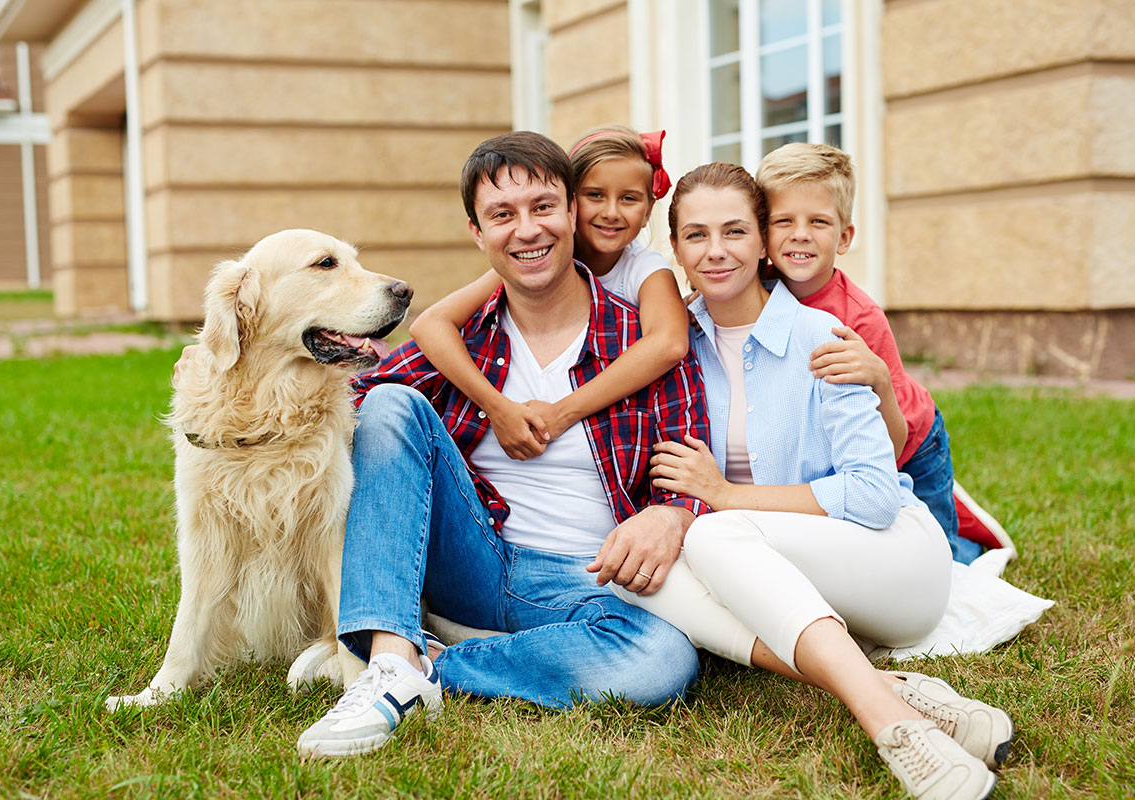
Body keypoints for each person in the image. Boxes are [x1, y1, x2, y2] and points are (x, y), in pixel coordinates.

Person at [295, 131, 710, 759]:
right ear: (477, 233)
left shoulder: (639, 336)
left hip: (584, 581)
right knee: (387, 404)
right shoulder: (470, 338)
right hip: (472, 553)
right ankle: (386, 665)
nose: (527, 230)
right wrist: (234, 366)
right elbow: (353, 402)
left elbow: (690, 457)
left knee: (662, 660)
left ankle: (431, 665)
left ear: (572, 212)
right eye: (502, 215)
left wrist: (672, 511)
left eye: (543, 207)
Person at [618, 162, 1011, 800]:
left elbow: (873, 497)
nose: (716, 251)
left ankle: (891, 727)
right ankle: (893, 692)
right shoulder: (670, 347)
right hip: (786, 567)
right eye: (696, 236)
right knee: (636, 573)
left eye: (734, 232)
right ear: (677, 252)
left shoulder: (824, 337)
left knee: (712, 538)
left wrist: (722, 497)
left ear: (761, 241)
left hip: (893, 563)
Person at [756, 142, 1009, 564]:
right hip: (845, 448)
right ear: (763, 232)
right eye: (784, 221)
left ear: (845, 236)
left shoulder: (860, 318)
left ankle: (971, 542)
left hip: (912, 445)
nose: (800, 233)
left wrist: (876, 378)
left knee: (937, 560)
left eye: (818, 221)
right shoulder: (758, 290)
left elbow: (891, 444)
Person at [409, 124, 688, 461]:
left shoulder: (643, 268)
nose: (611, 212)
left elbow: (669, 343)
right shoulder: (535, 259)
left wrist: (562, 413)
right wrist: (496, 406)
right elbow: (430, 325)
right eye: (595, 195)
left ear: (647, 212)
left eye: (629, 198)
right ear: (573, 204)